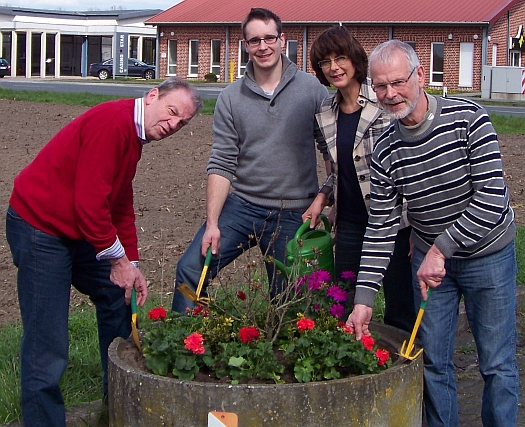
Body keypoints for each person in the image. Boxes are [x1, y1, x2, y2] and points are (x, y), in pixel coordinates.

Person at [5, 77, 202, 427]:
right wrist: (117, 259)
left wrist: (132, 265)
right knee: (46, 336)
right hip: (40, 226)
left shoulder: (134, 136)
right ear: (152, 95)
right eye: (172, 113)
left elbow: (120, 203)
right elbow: (90, 205)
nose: (173, 125)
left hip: (76, 228)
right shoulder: (113, 124)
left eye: (182, 123)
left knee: (118, 295)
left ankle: (119, 406)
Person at [347, 40, 518, 427]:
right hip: (429, 261)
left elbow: (492, 197)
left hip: (487, 255)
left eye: (397, 82)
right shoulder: (385, 149)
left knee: (496, 363)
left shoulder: (468, 117)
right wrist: (363, 298)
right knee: (434, 363)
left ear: (420, 75)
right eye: (380, 86)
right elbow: (382, 225)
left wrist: (441, 249)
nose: (390, 94)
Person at [172, 7, 328, 313]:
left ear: (283, 40)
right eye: (255, 40)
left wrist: (328, 200)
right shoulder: (231, 97)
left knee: (290, 303)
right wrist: (213, 224)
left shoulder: (312, 90)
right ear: (246, 45)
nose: (263, 46)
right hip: (243, 206)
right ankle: (181, 346)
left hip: (294, 211)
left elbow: (330, 149)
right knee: (192, 268)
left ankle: (284, 356)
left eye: (270, 38)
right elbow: (222, 160)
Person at [304, 25, 416, 332]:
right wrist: (321, 198)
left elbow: (408, 165)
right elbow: (340, 170)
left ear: (354, 59)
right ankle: (350, 368)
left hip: (394, 222)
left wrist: (415, 225)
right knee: (343, 302)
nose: (333, 67)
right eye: (325, 62)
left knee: (400, 307)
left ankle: (405, 372)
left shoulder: (385, 100)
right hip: (351, 222)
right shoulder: (326, 112)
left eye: (340, 58)